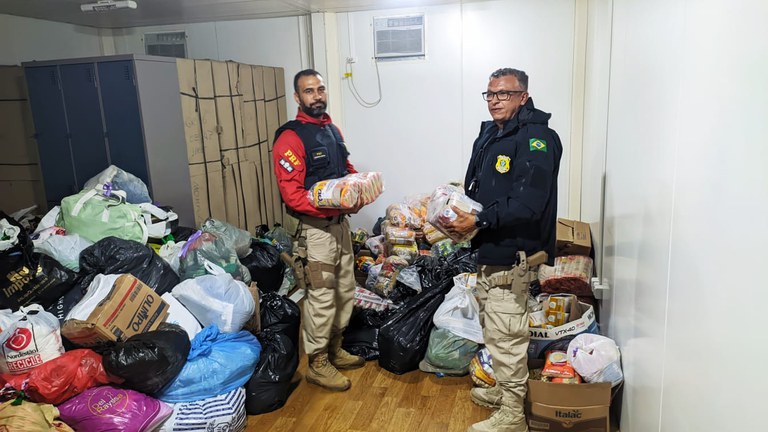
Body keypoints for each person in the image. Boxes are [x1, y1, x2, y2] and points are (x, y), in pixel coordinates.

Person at [444, 68, 562, 432]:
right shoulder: (494, 134)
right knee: (495, 330)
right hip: (491, 250)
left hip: (516, 255)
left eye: (504, 94)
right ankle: (506, 392)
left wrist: (478, 222)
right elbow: (482, 188)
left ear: (523, 97)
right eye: (490, 94)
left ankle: (513, 415)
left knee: (508, 334)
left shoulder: (537, 138)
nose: (495, 100)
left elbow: (530, 202)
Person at [273, 69, 366, 392]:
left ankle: (334, 349)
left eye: (320, 89)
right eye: (309, 91)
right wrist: (335, 205)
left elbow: (347, 172)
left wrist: (358, 191)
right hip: (315, 233)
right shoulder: (290, 138)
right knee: (322, 297)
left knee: (345, 291)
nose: (317, 96)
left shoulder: (332, 131)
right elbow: (293, 195)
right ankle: (317, 362)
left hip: (340, 228)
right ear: (298, 98)